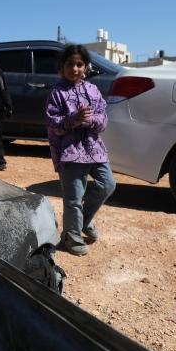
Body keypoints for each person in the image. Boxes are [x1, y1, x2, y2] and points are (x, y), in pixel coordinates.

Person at [46, 44, 117, 256]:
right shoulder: (57, 93)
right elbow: (53, 124)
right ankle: (72, 236)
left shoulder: (93, 90)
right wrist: (74, 118)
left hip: (94, 149)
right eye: (70, 64)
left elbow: (103, 120)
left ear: (86, 67)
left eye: (79, 64)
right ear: (62, 66)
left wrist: (89, 120)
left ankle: (84, 221)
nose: (75, 69)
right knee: (74, 198)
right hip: (70, 151)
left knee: (107, 184)